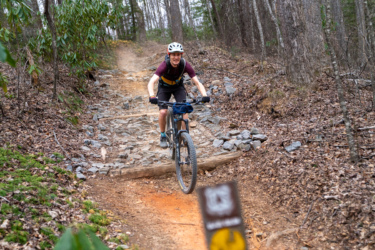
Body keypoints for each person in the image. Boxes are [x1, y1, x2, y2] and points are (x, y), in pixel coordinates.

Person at [148, 42, 210, 148]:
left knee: (183, 109)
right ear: (169, 55)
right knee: (163, 111)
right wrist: (152, 96)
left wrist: (204, 95)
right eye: (173, 54)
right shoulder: (164, 65)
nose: (176, 57)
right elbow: (151, 82)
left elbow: (197, 82)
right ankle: (163, 135)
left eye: (178, 54)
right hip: (164, 88)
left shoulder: (185, 65)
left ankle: (185, 135)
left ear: (181, 55)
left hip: (178, 87)